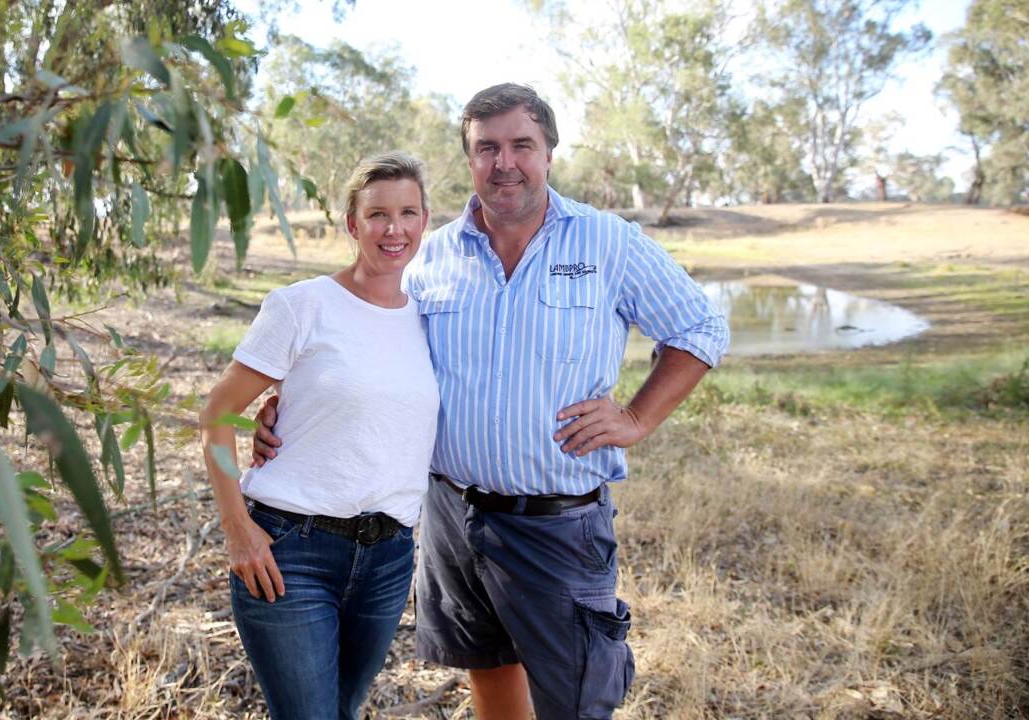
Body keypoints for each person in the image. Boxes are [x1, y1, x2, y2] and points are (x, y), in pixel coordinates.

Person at [252, 84, 729, 720]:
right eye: (487, 148)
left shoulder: (607, 243)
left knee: (580, 702)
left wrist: (637, 417)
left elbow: (699, 328)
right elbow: (373, 342)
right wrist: (294, 403)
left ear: (549, 152)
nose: (505, 162)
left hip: (558, 523)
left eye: (521, 145)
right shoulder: (431, 256)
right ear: (469, 159)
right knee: (490, 677)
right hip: (453, 516)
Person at [199, 151, 441, 720]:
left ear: (425, 221)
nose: (394, 229)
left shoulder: (429, 319)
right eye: (377, 214)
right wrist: (237, 529)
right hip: (292, 551)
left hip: (388, 556)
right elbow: (217, 413)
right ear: (353, 224)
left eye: (408, 212)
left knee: (341, 709)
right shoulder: (302, 305)